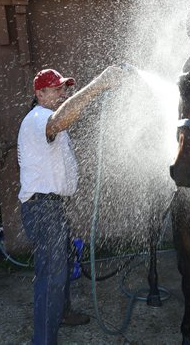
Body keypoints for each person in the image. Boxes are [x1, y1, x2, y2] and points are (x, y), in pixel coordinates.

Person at [17, 66, 124, 345]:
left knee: (62, 264)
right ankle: (42, 340)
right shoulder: (38, 118)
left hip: (51, 207)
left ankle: (61, 313)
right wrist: (98, 85)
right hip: (42, 208)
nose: (63, 92)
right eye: (57, 88)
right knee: (51, 275)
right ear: (40, 93)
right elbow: (61, 119)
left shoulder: (48, 119)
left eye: (64, 87)